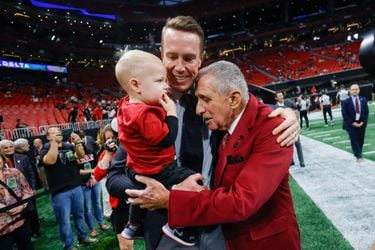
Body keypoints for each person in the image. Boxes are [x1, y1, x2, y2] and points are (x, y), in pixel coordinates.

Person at [106, 16, 300, 250]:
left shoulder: (207, 97)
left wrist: (283, 111)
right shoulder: (140, 110)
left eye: (188, 58)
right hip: (164, 229)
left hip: (218, 225)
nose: (179, 67)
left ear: (200, 60)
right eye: (172, 56)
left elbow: (240, 103)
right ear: (161, 54)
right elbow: (115, 178)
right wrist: (162, 192)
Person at [115, 49, 196, 246]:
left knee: (142, 192)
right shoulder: (145, 114)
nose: (166, 86)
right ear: (136, 85)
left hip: (136, 169)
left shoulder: (126, 105)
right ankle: (179, 226)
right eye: (160, 81)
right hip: (158, 170)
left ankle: (133, 224)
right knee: (192, 179)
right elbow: (167, 138)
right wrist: (171, 113)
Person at [40, 127, 98, 250]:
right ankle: (68, 245)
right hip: (60, 191)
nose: (58, 132)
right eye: (54, 132)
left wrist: (77, 144)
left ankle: (82, 237)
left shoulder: (68, 145)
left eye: (59, 131)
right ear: (48, 137)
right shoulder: (45, 148)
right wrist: (54, 143)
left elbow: (80, 156)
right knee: (64, 219)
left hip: (76, 186)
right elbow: (50, 161)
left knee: (79, 214)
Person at [93, 122, 134, 250]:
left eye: (113, 138)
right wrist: (109, 154)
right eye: (107, 139)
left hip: (139, 199)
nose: (111, 142)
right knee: (125, 246)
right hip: (120, 204)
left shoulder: (134, 147)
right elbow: (97, 175)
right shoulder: (107, 153)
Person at [0, 153, 34, 250]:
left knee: (26, 246)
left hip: (20, 220)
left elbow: (28, 191)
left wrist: (21, 206)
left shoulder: (14, 172)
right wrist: (4, 208)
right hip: (2, 227)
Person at [14, 138, 41, 238]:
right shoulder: (9, 159)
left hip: (28, 189)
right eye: (27, 145)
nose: (29, 146)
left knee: (32, 209)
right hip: (15, 191)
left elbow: (31, 174)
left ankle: (35, 230)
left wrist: (33, 188)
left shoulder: (25, 157)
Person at [275, 92, 305, 167]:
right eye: (279, 96)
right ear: (276, 98)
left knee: (298, 144)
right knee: (288, 145)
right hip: (285, 128)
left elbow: (297, 107)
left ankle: (302, 162)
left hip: (293, 126)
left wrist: (299, 102)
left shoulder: (288, 102)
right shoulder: (275, 107)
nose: (281, 97)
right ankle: (291, 161)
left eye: (282, 95)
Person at [341, 83, 369, 163]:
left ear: (359, 90)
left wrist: (363, 122)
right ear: (350, 91)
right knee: (354, 139)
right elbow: (345, 115)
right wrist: (353, 123)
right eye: (353, 89)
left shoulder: (363, 99)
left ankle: (358, 152)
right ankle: (358, 156)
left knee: (361, 140)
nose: (354, 91)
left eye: (356, 89)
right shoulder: (345, 102)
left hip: (361, 123)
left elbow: (366, 112)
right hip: (350, 124)